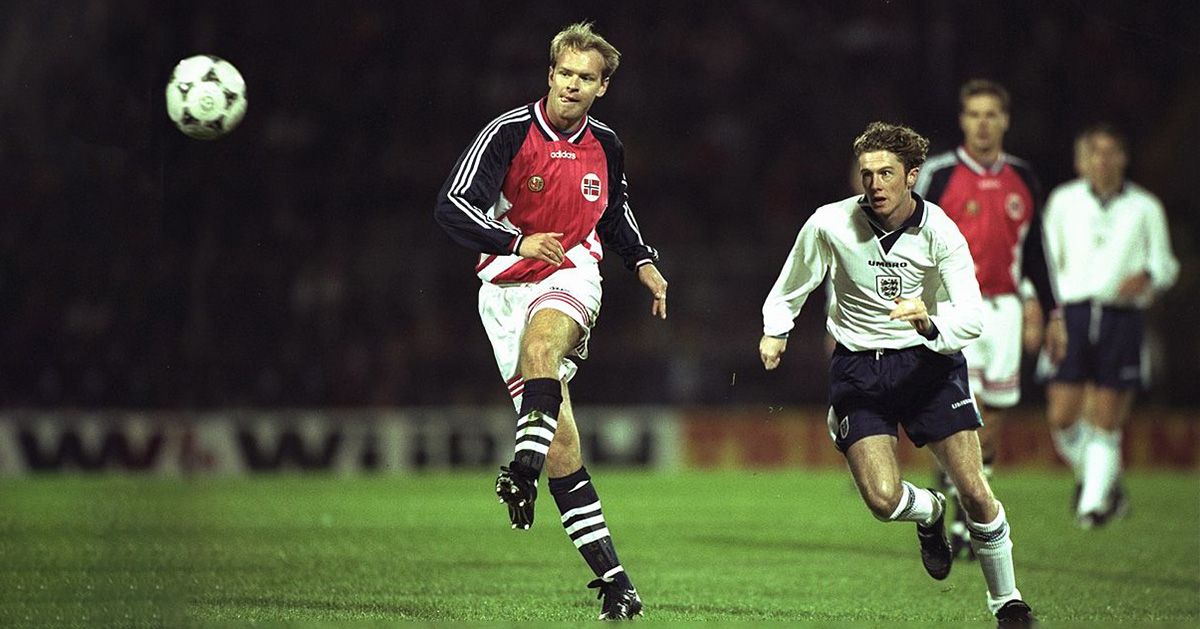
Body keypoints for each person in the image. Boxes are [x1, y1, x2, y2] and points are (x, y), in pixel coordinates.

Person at [433, 21, 667, 619]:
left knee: (543, 351)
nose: (571, 86)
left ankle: (520, 467)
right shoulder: (509, 133)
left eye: (585, 79)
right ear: (550, 75)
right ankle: (617, 584)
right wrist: (516, 241)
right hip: (504, 289)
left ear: (602, 87)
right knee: (563, 444)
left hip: (571, 272)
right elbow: (452, 207)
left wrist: (641, 261)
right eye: (564, 74)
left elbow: (613, 213)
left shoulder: (606, 145)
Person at [759, 121, 1035, 627]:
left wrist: (929, 320)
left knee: (975, 489)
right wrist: (776, 330)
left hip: (928, 363)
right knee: (885, 502)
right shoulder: (829, 223)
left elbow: (970, 316)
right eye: (866, 174)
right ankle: (929, 512)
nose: (874, 184)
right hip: (859, 368)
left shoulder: (941, 231)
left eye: (886, 173)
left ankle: (1008, 602)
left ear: (912, 176)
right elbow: (791, 283)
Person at [914, 79, 1066, 557]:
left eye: (991, 114)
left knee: (992, 420)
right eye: (974, 114)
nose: (983, 123)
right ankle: (965, 520)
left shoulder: (1023, 176)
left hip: (1003, 310)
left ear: (1005, 120)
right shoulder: (938, 175)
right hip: (952, 306)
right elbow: (911, 241)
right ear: (963, 121)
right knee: (962, 412)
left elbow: (1036, 250)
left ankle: (963, 507)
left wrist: (1051, 309)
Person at [1041, 123, 1179, 528]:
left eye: (1110, 152)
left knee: (1105, 415)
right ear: (1081, 161)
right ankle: (1106, 483)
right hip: (1073, 313)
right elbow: (1047, 260)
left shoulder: (1144, 207)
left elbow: (1166, 263)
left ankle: (1093, 506)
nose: (1102, 160)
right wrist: (1043, 309)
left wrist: (1149, 276)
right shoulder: (1065, 201)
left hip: (1122, 315)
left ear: (1123, 158)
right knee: (1063, 416)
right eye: (1094, 153)